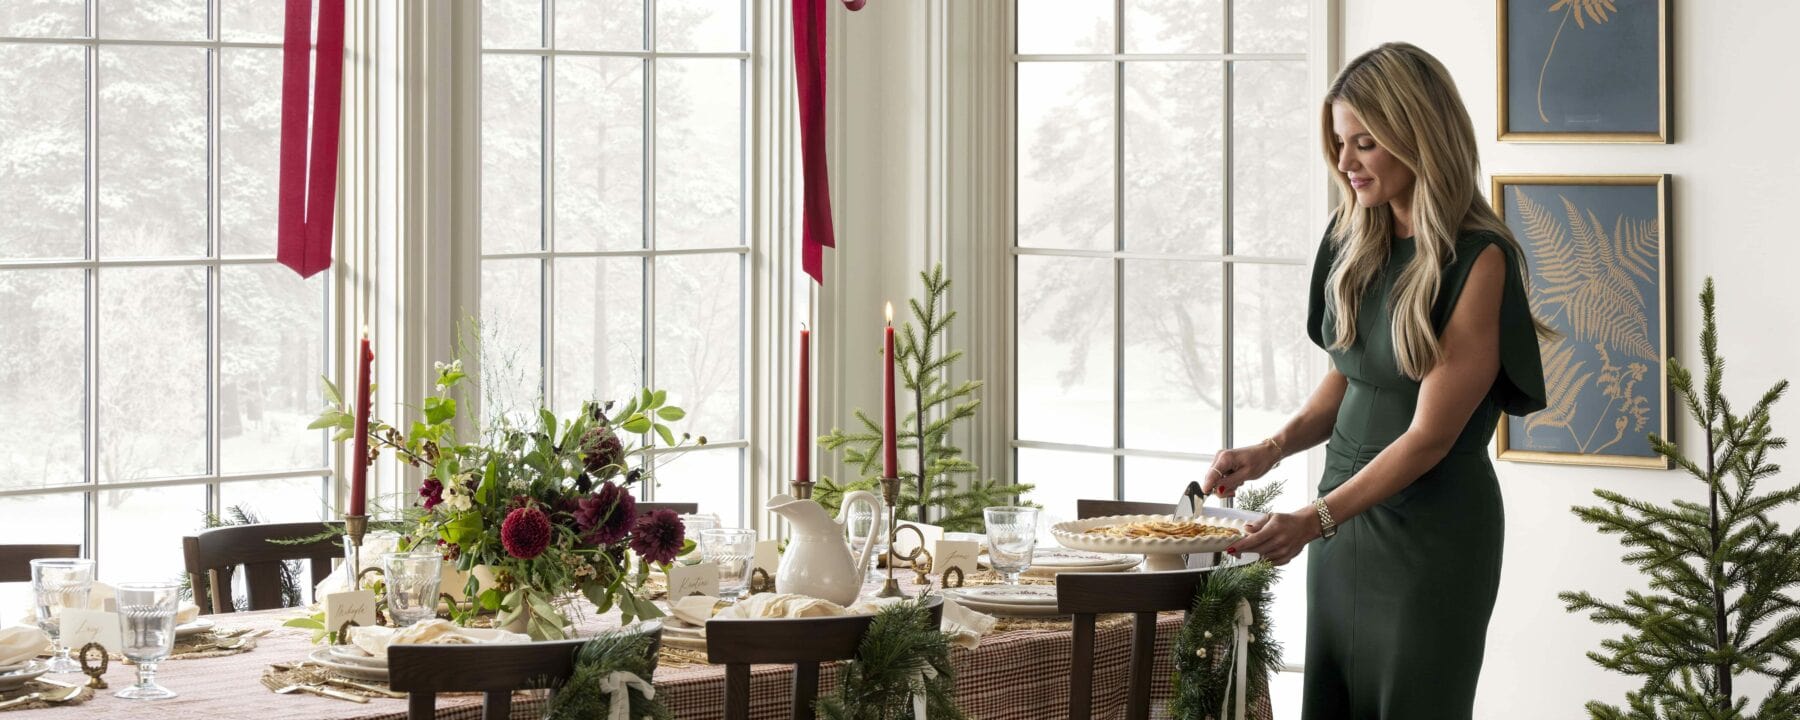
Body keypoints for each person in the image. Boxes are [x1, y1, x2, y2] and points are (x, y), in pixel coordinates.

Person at [1201, 42, 1553, 719]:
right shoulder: (1351, 238)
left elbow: (1428, 438)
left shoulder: (1480, 260)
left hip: (1430, 537)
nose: (1345, 162)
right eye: (1339, 142)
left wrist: (1315, 518)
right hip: (1340, 523)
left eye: (1366, 142)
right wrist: (1269, 451)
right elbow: (1349, 380)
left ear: (1419, 135)